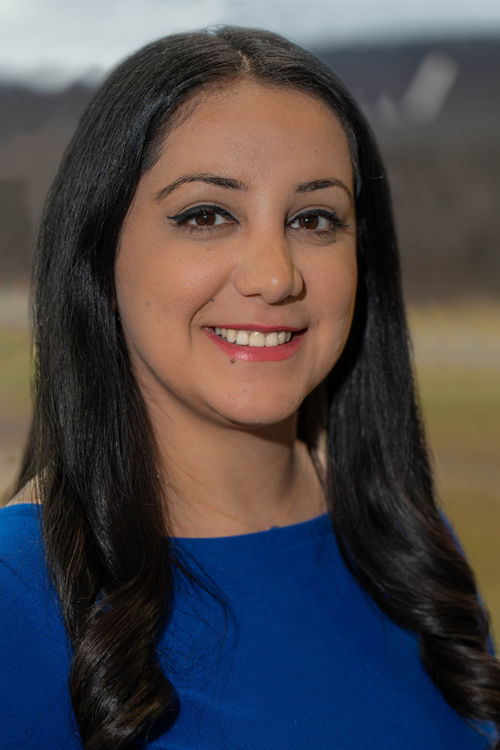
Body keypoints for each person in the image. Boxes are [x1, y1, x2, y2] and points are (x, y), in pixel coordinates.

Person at [0, 26, 499, 750]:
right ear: (99, 254)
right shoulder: (18, 597)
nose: (275, 275)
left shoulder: (409, 546)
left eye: (314, 218)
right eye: (207, 215)